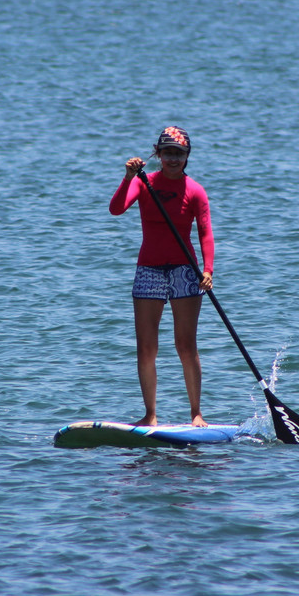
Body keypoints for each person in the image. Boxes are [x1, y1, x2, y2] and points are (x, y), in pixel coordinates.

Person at [109, 126, 215, 427]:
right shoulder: (144, 182)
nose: (173, 159)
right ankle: (150, 415)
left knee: (185, 346)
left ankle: (196, 413)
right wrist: (128, 177)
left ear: (187, 156)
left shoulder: (195, 190)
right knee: (146, 348)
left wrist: (208, 270)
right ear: (158, 154)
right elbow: (116, 209)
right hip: (149, 269)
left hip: (185, 271)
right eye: (167, 153)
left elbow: (205, 233)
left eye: (178, 154)